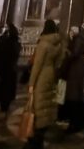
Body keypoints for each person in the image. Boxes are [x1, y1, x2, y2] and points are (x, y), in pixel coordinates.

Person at [25, 19, 65, 149]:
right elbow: (59, 62)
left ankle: (35, 139)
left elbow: (37, 65)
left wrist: (31, 83)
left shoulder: (44, 43)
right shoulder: (58, 44)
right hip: (51, 75)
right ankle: (39, 137)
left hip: (42, 75)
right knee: (46, 106)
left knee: (37, 106)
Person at [63, 23, 84, 133]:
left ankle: (73, 124)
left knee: (74, 98)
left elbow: (74, 53)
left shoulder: (80, 39)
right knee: (79, 98)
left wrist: (68, 53)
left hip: (76, 70)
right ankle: (79, 123)